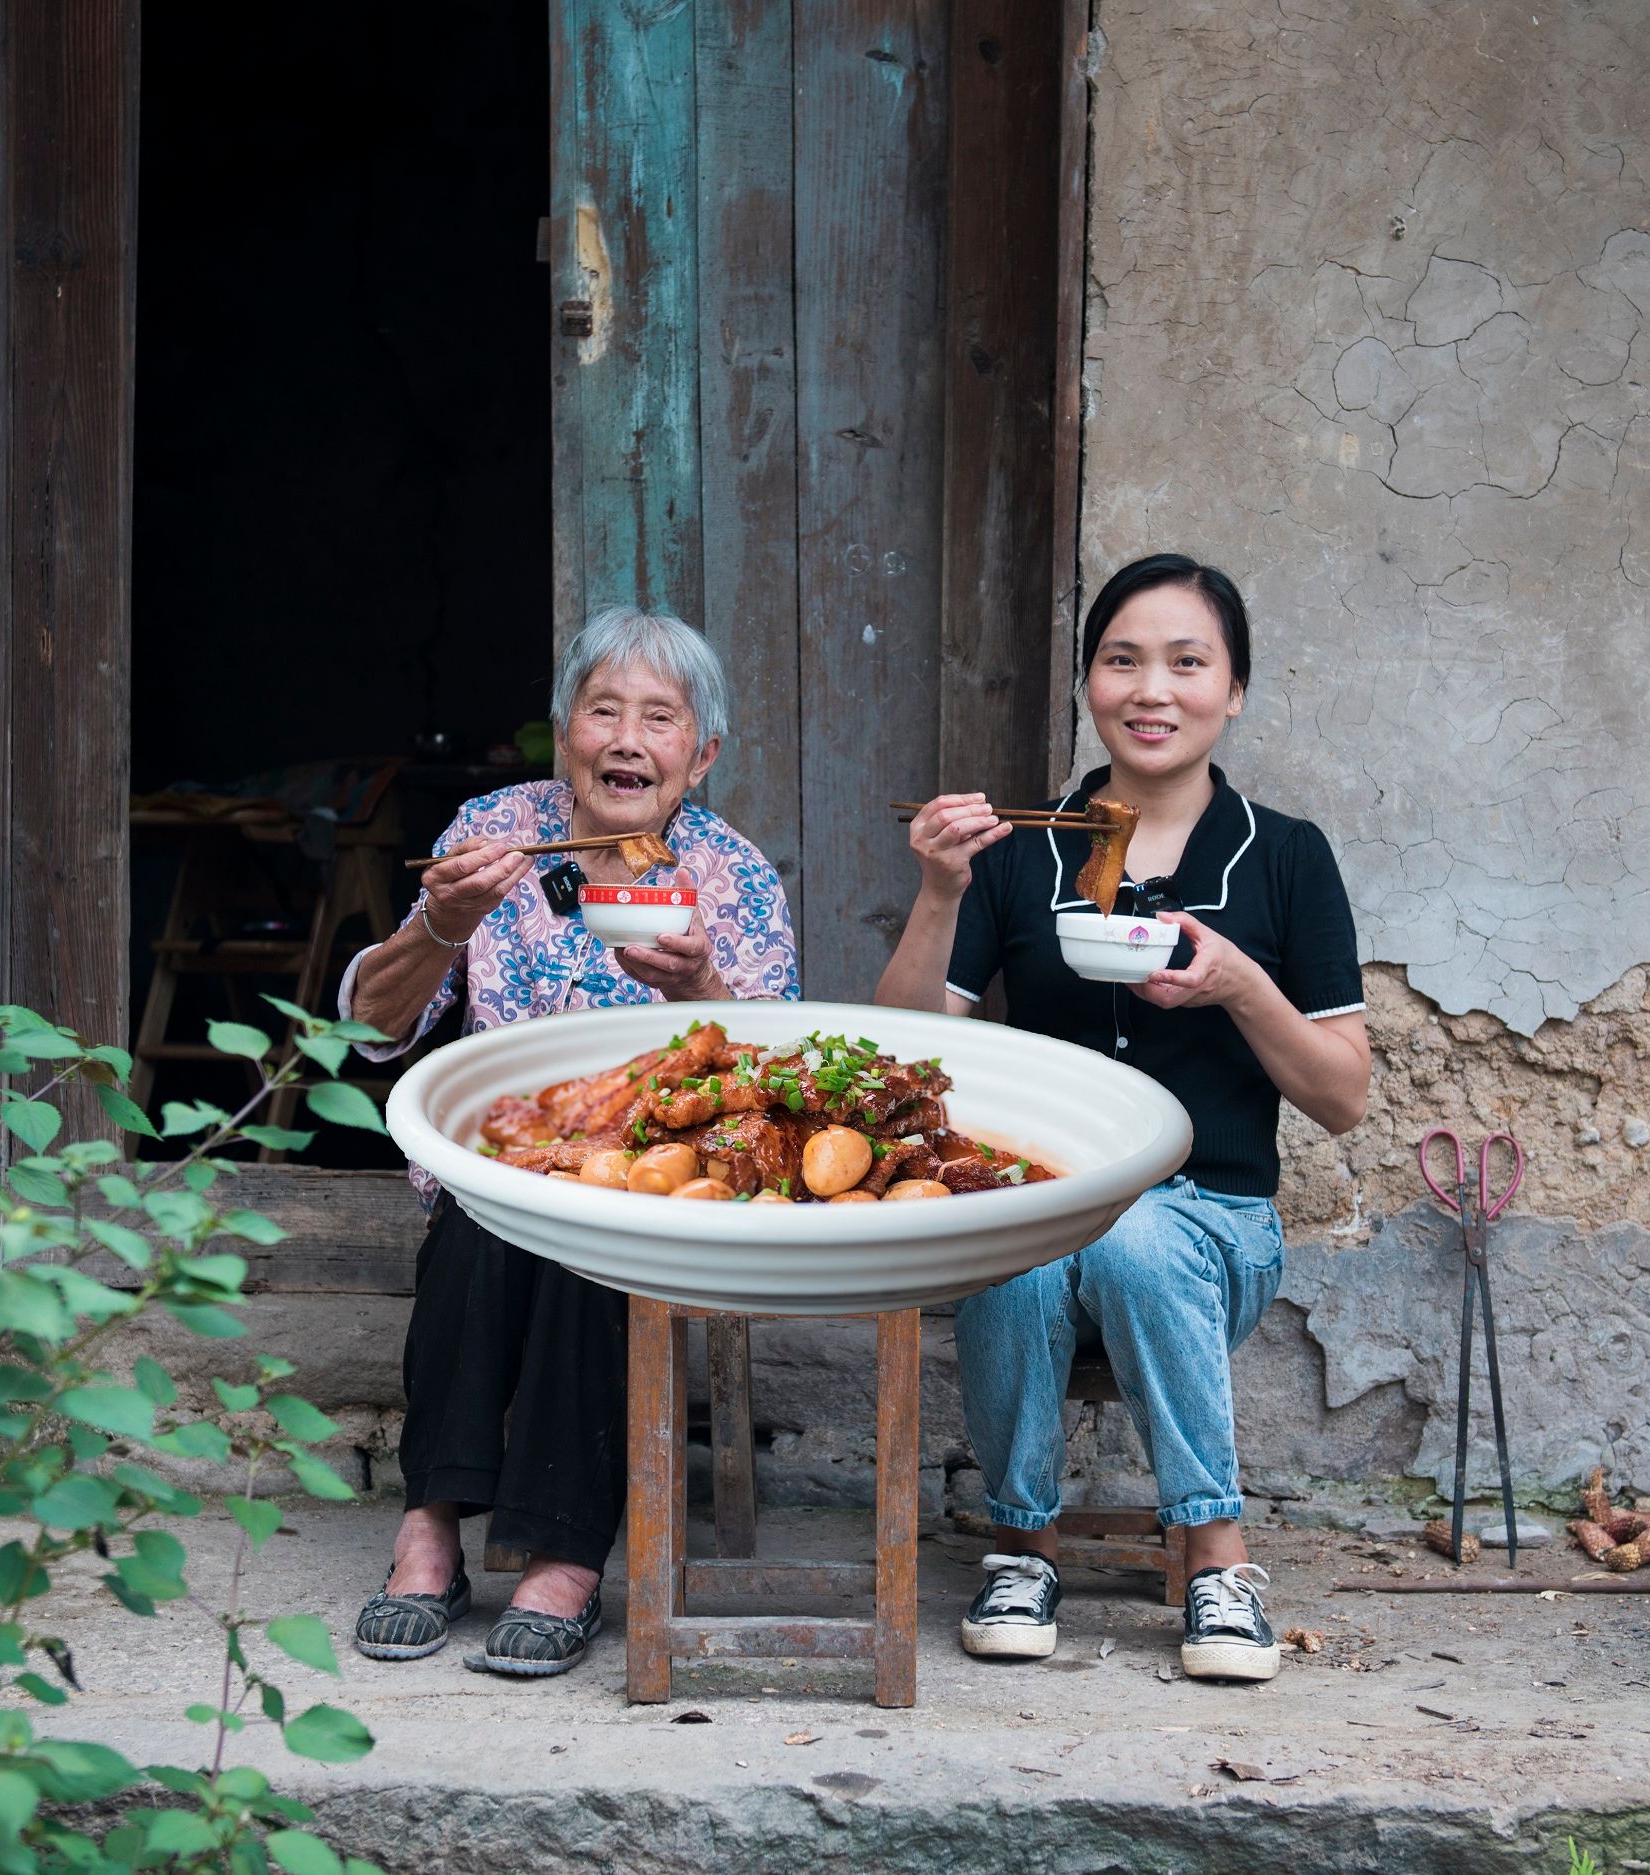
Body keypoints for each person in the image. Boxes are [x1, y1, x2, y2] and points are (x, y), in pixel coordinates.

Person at [875, 553, 1369, 1683]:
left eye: (1188, 663)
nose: (1154, 690)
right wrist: (941, 893)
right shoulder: (1020, 851)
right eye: (1123, 661)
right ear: (1090, 684)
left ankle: (1216, 1555)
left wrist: (1242, 986)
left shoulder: (1286, 858)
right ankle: (1021, 1543)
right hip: (1044, 1209)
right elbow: (908, 1057)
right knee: (1019, 1245)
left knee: (1137, 1236)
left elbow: (1343, 1095)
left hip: (1213, 1230)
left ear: (1233, 691)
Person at [341, 607, 799, 1678]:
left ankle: (564, 1553)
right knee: (480, 1221)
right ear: (565, 732)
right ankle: (432, 1525)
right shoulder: (494, 834)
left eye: (659, 718)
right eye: (602, 711)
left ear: (704, 753)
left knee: (603, 1239)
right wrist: (439, 926)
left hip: (654, 1175)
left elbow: (775, 1093)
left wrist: (704, 990)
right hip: (503, 1152)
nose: (626, 740)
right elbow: (368, 1030)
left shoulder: (732, 881)